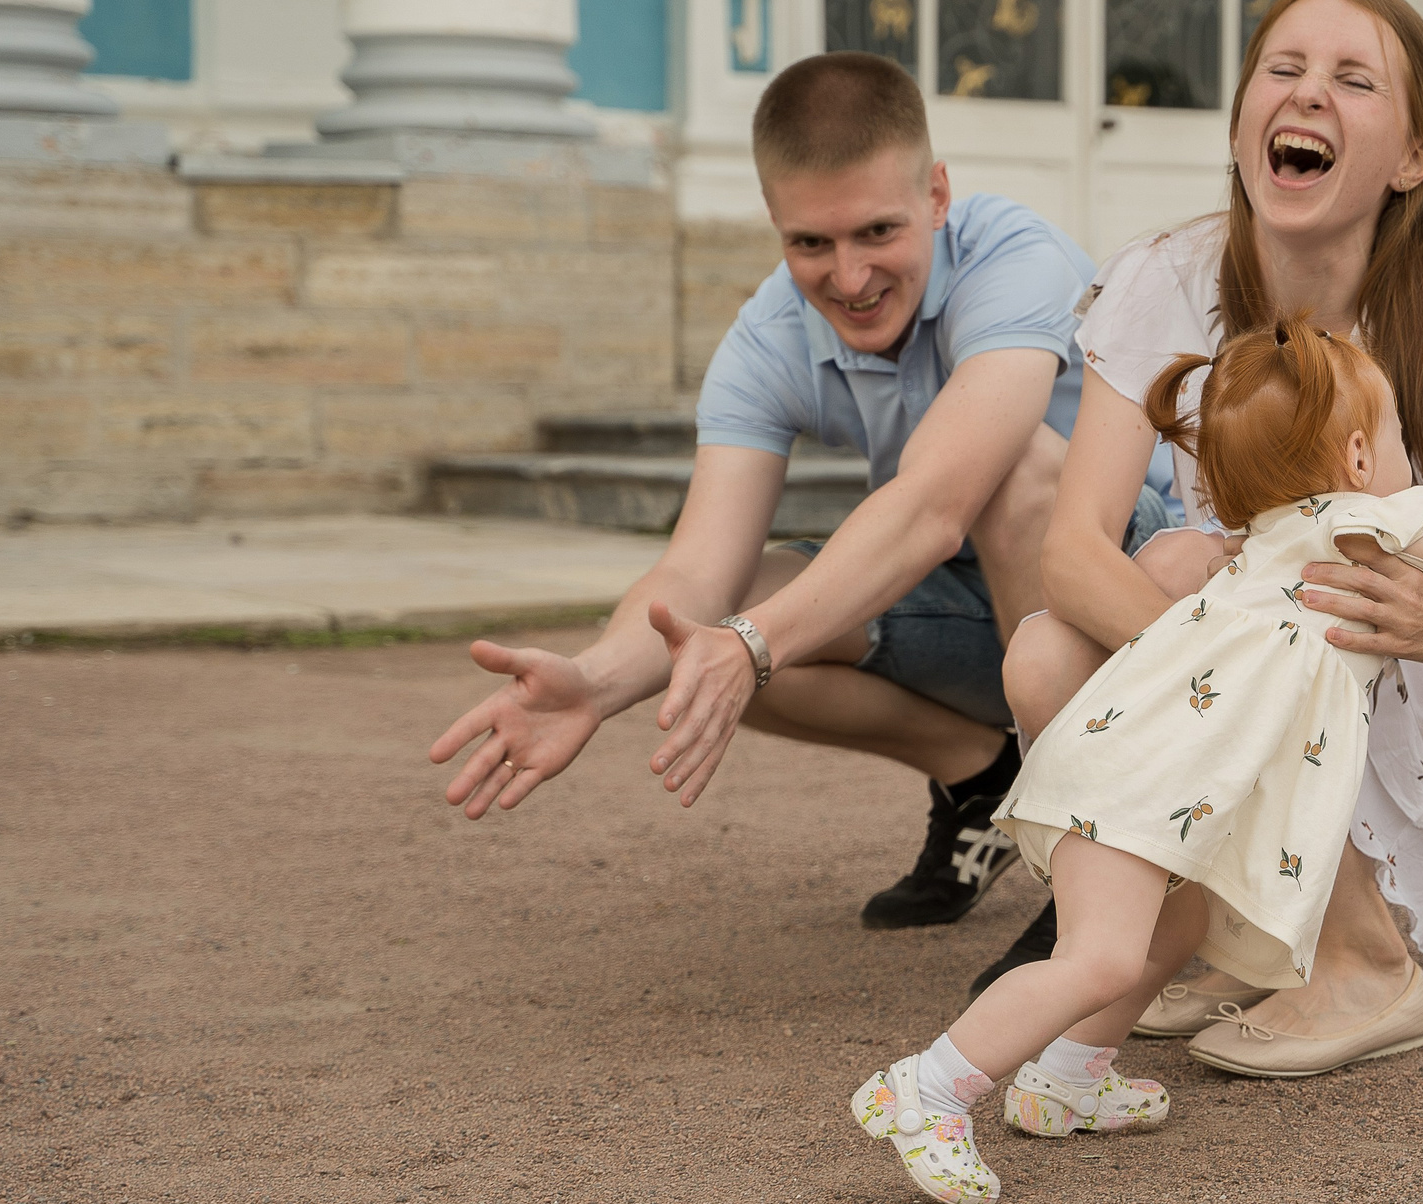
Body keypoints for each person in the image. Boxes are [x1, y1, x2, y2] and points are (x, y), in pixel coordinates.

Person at [851, 324, 1423, 1204]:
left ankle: (1067, 1075)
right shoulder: (1358, 525)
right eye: (1399, 439)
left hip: (1138, 779)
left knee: (1176, 931)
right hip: (1136, 792)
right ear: (1362, 453)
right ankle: (933, 1086)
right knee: (1100, 958)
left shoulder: (1258, 542)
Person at [996, 0, 1423, 1077]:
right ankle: (1244, 933)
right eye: (1281, 71)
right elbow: (1074, 552)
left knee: (1231, 595)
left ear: (1413, 160)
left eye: (1351, 80)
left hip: (1417, 683)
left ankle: (1365, 962)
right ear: (1242, 124)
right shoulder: (1168, 280)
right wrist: (1211, 672)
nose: (1306, 95)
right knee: (1056, 649)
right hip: (1276, 643)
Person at [428, 52, 1164, 931]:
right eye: (811, 242)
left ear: (937, 195)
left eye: (877, 233)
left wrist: (752, 644)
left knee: (1012, 476)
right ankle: (983, 775)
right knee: (707, 630)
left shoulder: (1014, 256)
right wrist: (596, 679)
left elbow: (935, 504)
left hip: (1143, 597)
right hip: (990, 616)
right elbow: (699, 571)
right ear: (776, 223)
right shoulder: (767, 338)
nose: (848, 279)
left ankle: (1088, 846)